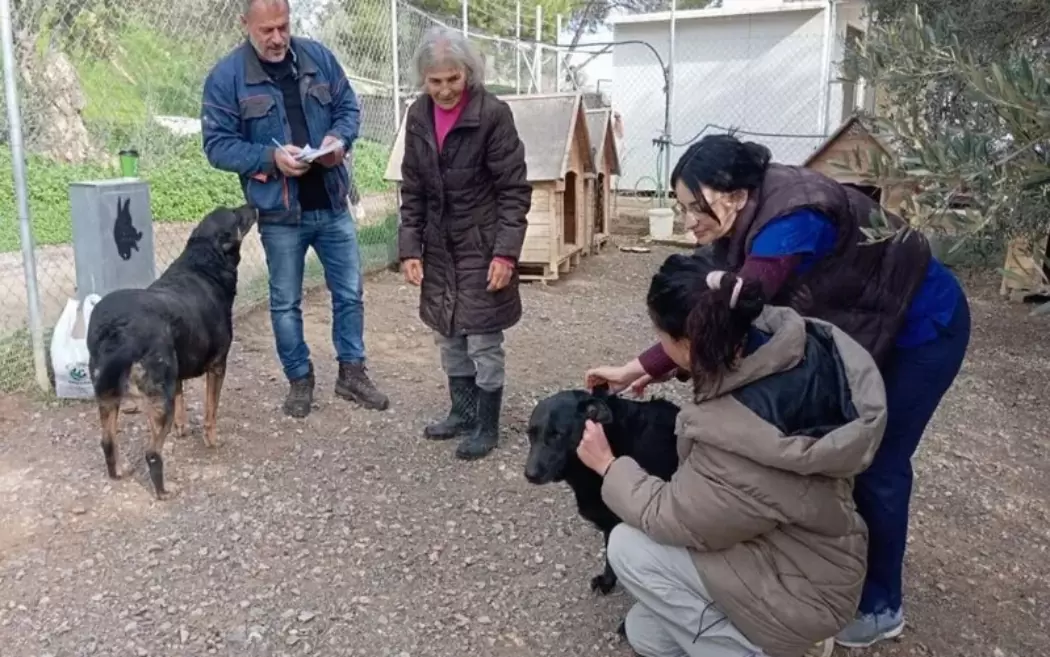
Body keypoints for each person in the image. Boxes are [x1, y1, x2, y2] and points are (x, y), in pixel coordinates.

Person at [586, 134, 972, 648]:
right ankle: (813, 561)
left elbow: (722, 316)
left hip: (923, 326)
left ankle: (881, 604)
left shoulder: (790, 223)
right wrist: (642, 366)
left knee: (876, 461)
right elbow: (703, 321)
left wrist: (615, 462)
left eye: (691, 207)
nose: (687, 222)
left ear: (733, 194)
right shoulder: (743, 215)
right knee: (816, 452)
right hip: (867, 318)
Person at [576, 253, 887, 657]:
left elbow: (671, 516)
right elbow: (739, 362)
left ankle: (783, 646)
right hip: (814, 554)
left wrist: (608, 466)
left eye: (664, 340)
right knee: (645, 632)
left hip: (802, 593)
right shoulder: (800, 342)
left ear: (689, 343)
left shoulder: (736, 437)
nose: (661, 346)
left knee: (626, 547)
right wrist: (673, 367)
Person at [201, 0, 388, 419]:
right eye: (266, 30)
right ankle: (299, 380)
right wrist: (270, 160)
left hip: (332, 202)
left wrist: (338, 140)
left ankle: (352, 373)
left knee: (349, 293)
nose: (277, 38)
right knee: (285, 302)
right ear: (244, 24)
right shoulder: (226, 78)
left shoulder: (318, 58)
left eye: (283, 27)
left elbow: (347, 107)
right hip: (280, 212)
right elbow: (217, 146)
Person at [397, 27, 530, 460]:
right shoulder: (417, 116)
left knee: (483, 340)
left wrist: (506, 252)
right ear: (424, 81)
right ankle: (462, 411)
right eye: (435, 82)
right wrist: (409, 248)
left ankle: (487, 426)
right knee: (448, 333)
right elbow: (412, 188)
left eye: (453, 79)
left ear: (468, 73)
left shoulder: (493, 114)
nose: (446, 89)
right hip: (438, 247)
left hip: (482, 244)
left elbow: (514, 189)